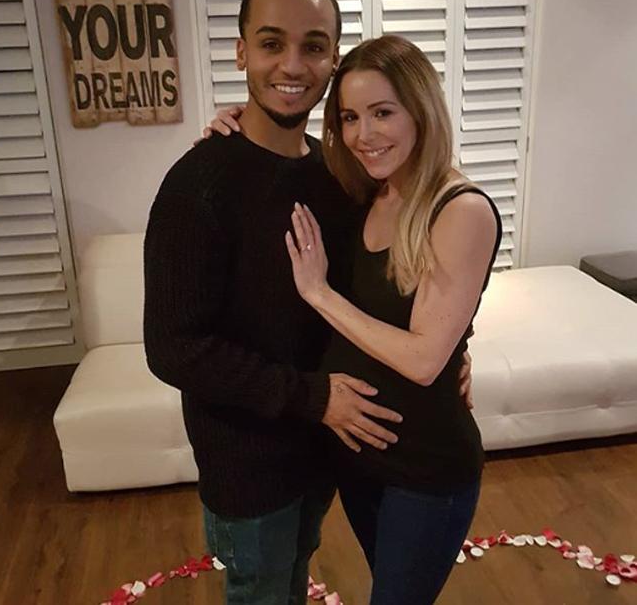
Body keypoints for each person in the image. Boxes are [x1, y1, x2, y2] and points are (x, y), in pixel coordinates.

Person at [145, 0, 472, 604]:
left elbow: (393, 277)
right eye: (272, 43)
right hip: (251, 467)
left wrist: (454, 343)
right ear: (242, 51)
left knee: (291, 584)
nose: (292, 65)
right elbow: (174, 348)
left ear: (333, 62)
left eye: (314, 46)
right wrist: (313, 397)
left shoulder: (339, 175)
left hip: (328, 453)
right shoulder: (198, 185)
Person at [205, 35, 501, 604]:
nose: (364, 134)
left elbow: (423, 359)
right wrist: (231, 132)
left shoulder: (460, 210)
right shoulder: (366, 192)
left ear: (421, 111)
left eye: (383, 112)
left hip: (425, 468)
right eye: (349, 117)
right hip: (359, 460)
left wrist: (319, 293)